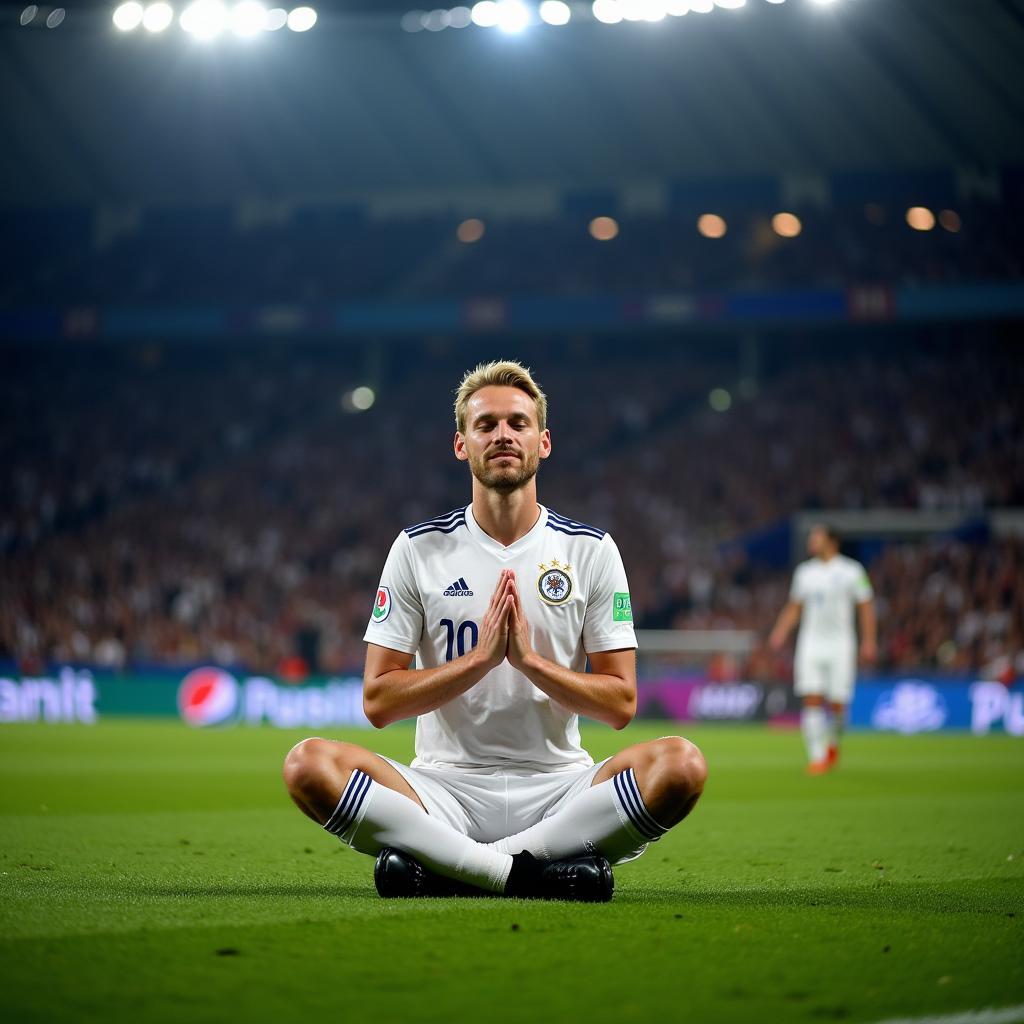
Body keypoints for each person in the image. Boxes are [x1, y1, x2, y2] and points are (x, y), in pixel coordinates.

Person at [282, 360, 707, 901]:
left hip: (560, 791)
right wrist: (479, 661)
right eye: (486, 425)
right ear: (462, 445)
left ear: (543, 442)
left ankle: (456, 867)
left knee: (681, 766)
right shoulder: (417, 548)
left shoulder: (591, 550)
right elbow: (377, 700)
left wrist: (530, 662)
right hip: (441, 790)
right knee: (307, 765)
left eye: (517, 423)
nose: (502, 435)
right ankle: (529, 872)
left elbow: (620, 703)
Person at [769, 524, 877, 775]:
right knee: (812, 697)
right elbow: (795, 606)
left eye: (816, 536)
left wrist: (869, 640)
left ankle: (833, 743)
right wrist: (780, 631)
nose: (811, 540)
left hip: (841, 644)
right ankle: (817, 757)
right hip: (811, 643)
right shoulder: (805, 572)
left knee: (839, 704)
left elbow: (866, 607)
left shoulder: (852, 571)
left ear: (832, 541)